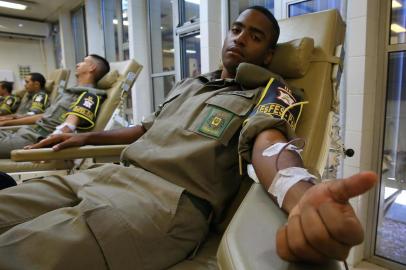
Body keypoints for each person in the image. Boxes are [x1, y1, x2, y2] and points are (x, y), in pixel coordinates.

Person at [0, 6, 376, 269]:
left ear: (267, 55)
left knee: (16, 255)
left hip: (162, 205)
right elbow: (146, 128)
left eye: (255, 36)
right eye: (237, 29)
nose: (241, 38)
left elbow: (269, 143)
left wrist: (301, 194)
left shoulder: (272, 92)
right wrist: (86, 139)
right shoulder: (191, 84)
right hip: (104, 176)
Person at [0, 54, 110, 158]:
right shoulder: (70, 93)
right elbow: (44, 116)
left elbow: (68, 126)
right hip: (25, 132)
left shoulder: (90, 95)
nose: (78, 64)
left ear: (92, 67)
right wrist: (8, 122)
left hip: (34, 139)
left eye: (83, 62)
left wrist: (48, 148)